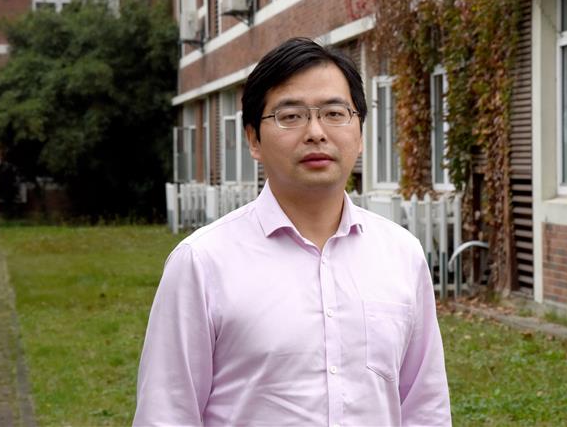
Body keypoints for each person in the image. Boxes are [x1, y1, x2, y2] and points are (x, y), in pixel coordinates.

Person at [133, 37, 451, 426]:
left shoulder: (401, 255)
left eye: (334, 113)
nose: (316, 132)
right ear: (253, 138)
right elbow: (166, 413)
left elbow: (425, 406)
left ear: (360, 133)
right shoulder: (202, 263)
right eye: (291, 116)